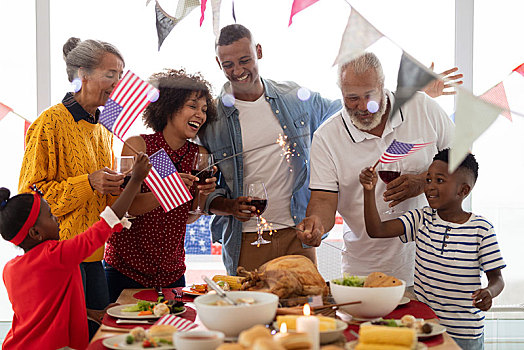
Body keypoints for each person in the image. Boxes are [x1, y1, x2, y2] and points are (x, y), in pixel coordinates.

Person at [297, 52, 455, 286]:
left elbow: (463, 162)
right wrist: (316, 224)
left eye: (369, 96)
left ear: (382, 86)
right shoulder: (327, 137)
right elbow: (323, 199)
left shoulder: (422, 107)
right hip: (365, 271)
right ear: (341, 93)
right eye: (352, 98)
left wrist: (424, 181)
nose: (363, 107)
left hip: (433, 265)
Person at [199, 24, 342, 275]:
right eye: (228, 64)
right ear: (218, 63)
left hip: (297, 233)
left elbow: (342, 113)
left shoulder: (294, 97)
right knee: (250, 312)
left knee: (305, 309)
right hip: (246, 240)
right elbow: (201, 190)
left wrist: (401, 97)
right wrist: (230, 206)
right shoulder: (211, 117)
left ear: (259, 51)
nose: (238, 71)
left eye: (245, 60)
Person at [18, 37, 125, 337]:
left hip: (93, 256)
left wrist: (120, 185)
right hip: (59, 260)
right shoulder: (49, 123)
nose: (117, 82)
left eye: (120, 74)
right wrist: (89, 183)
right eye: (110, 74)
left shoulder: (104, 127)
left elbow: (100, 195)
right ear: (83, 75)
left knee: (98, 340)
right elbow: (31, 197)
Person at [2, 153, 151, 350]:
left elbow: (46, 311)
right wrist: (136, 180)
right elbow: (103, 227)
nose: (56, 218)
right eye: (50, 215)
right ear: (36, 232)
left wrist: (91, 313)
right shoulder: (55, 255)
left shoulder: (10, 270)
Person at [359, 149, 505, 349]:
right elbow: (376, 230)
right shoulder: (421, 218)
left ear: (463, 191)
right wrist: (368, 191)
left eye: (440, 180)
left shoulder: (481, 228)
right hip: (425, 327)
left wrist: (489, 292)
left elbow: (497, 279)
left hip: (465, 334)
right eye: (428, 180)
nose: (430, 187)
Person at [104, 69, 218, 302]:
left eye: (205, 109)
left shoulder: (200, 155)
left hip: (172, 275)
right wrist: (169, 189)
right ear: (170, 106)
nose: (200, 114)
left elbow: (189, 216)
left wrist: (202, 196)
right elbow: (127, 209)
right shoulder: (139, 146)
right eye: (193, 106)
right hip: (125, 271)